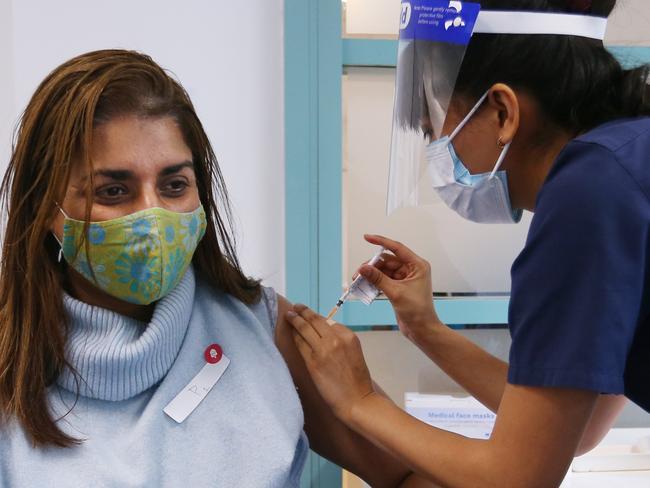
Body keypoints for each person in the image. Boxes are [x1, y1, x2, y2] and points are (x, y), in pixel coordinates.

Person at [0, 49, 433, 487]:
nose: (153, 216)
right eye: (113, 191)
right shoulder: (9, 362)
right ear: (44, 207)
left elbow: (418, 476)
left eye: (174, 185)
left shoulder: (262, 327)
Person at [286, 0, 650, 486]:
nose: (438, 152)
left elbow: (515, 476)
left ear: (502, 111)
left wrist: (359, 401)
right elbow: (578, 427)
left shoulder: (589, 194)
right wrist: (425, 329)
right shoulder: (624, 161)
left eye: (435, 131)